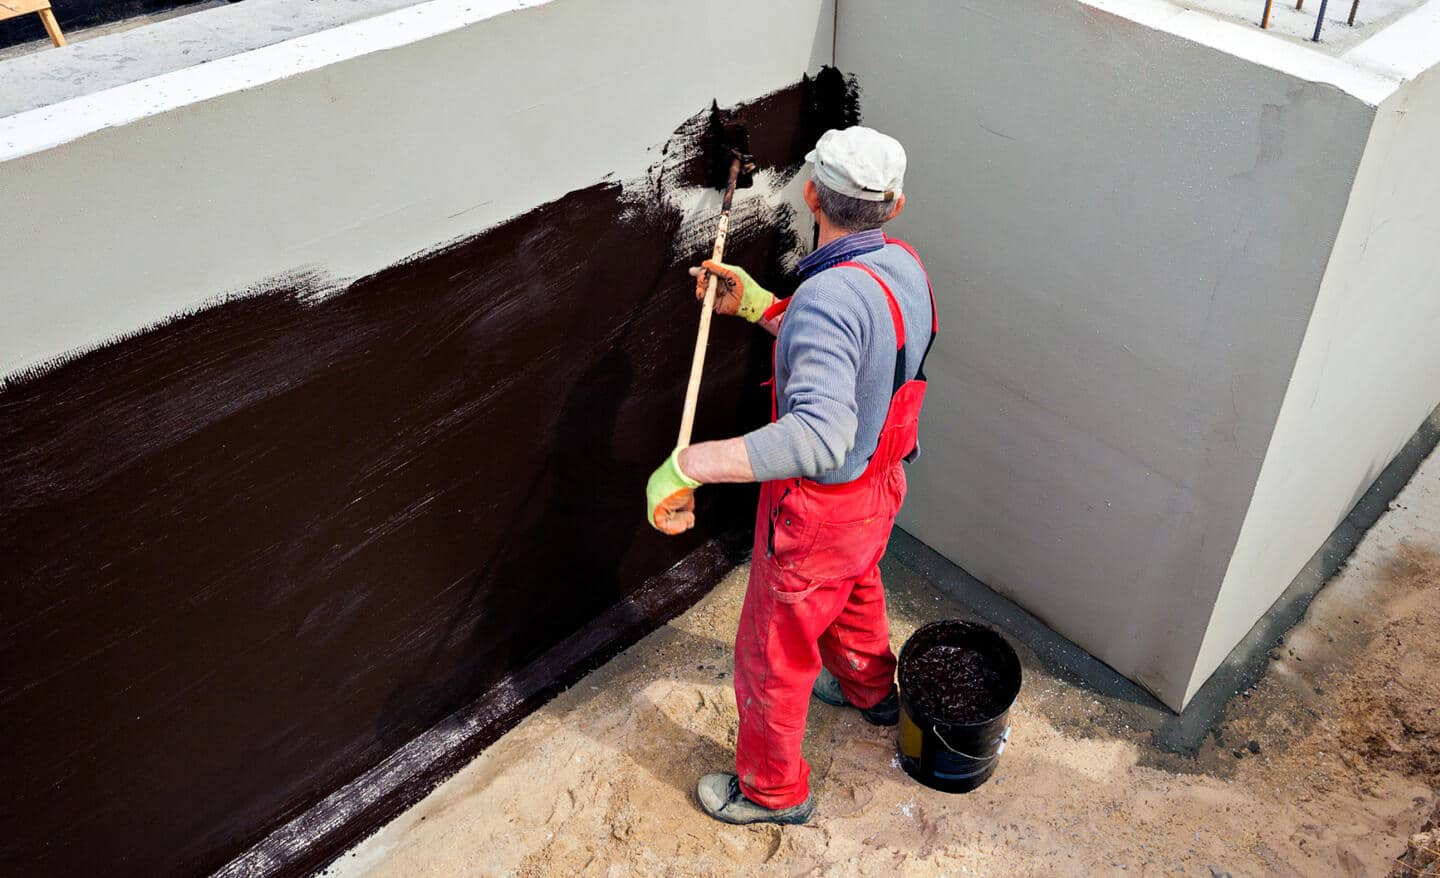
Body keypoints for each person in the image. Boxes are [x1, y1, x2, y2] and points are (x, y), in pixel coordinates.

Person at [645, 126, 937, 825]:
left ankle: (774, 792)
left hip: (820, 512)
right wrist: (757, 303)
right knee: (856, 587)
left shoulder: (828, 300)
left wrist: (688, 463)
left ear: (811, 193)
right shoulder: (903, 266)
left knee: (773, 656)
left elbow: (817, 435)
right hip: (879, 489)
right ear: (894, 205)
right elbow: (864, 362)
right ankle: (871, 692)